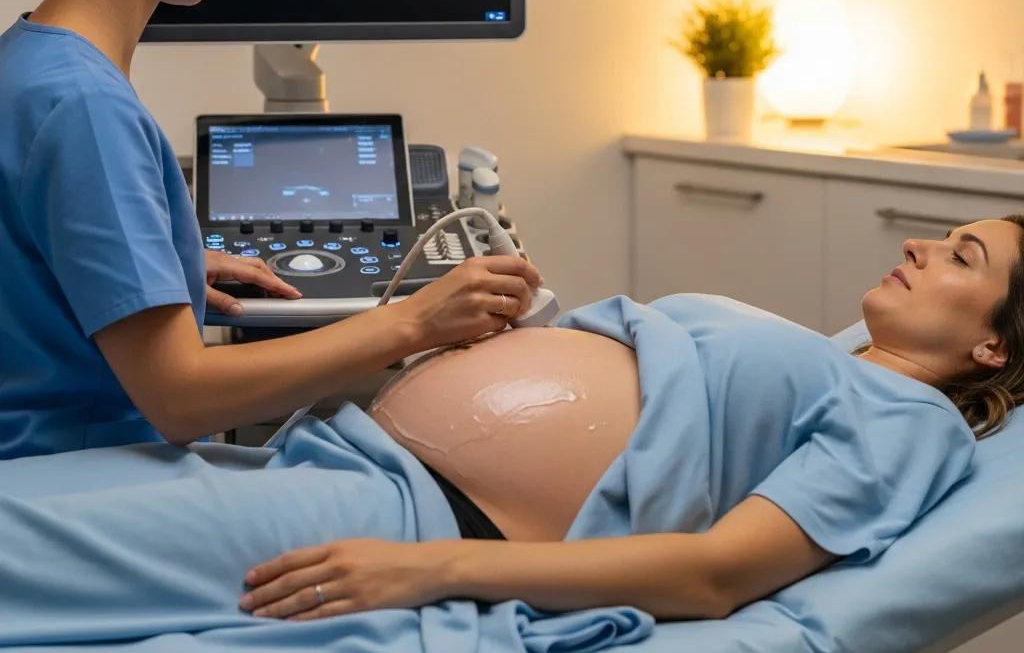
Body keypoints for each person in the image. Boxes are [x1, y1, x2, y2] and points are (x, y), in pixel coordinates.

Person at [0, 219, 1020, 640]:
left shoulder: (910, 424)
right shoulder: (828, 362)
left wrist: (431, 571)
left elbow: (715, 574)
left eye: (963, 259)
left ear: (991, 351)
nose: (923, 247)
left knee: (27, 542)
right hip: (347, 454)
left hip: (409, 517)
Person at [0, 0, 541, 460]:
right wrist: (417, 320)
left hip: (41, 460)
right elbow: (182, 399)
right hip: (84, 478)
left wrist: (164, 265)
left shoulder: (28, 61)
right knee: (411, 488)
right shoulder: (87, 109)